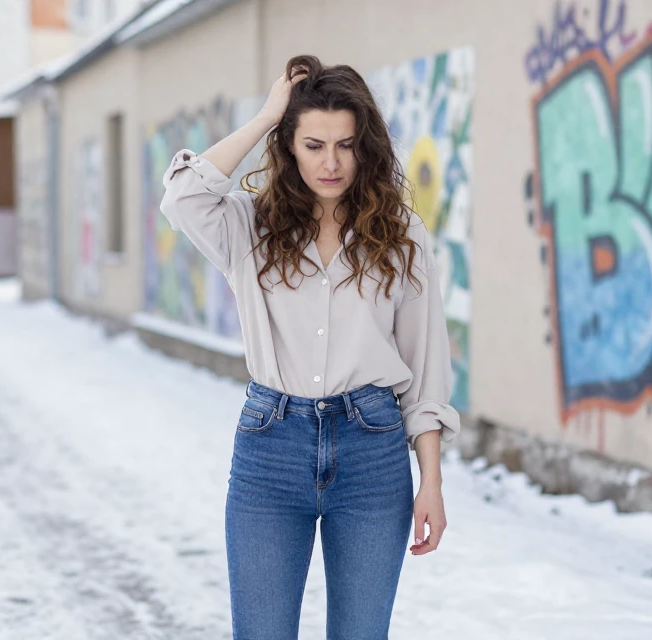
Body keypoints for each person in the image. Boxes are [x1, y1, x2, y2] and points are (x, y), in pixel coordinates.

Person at [160, 54, 460, 639]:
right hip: (271, 450)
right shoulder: (249, 228)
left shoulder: (401, 237)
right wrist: (268, 114)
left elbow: (426, 375)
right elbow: (182, 197)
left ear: (365, 147)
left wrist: (432, 482)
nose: (331, 162)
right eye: (314, 144)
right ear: (288, 146)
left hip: (372, 454)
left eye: (345, 145)